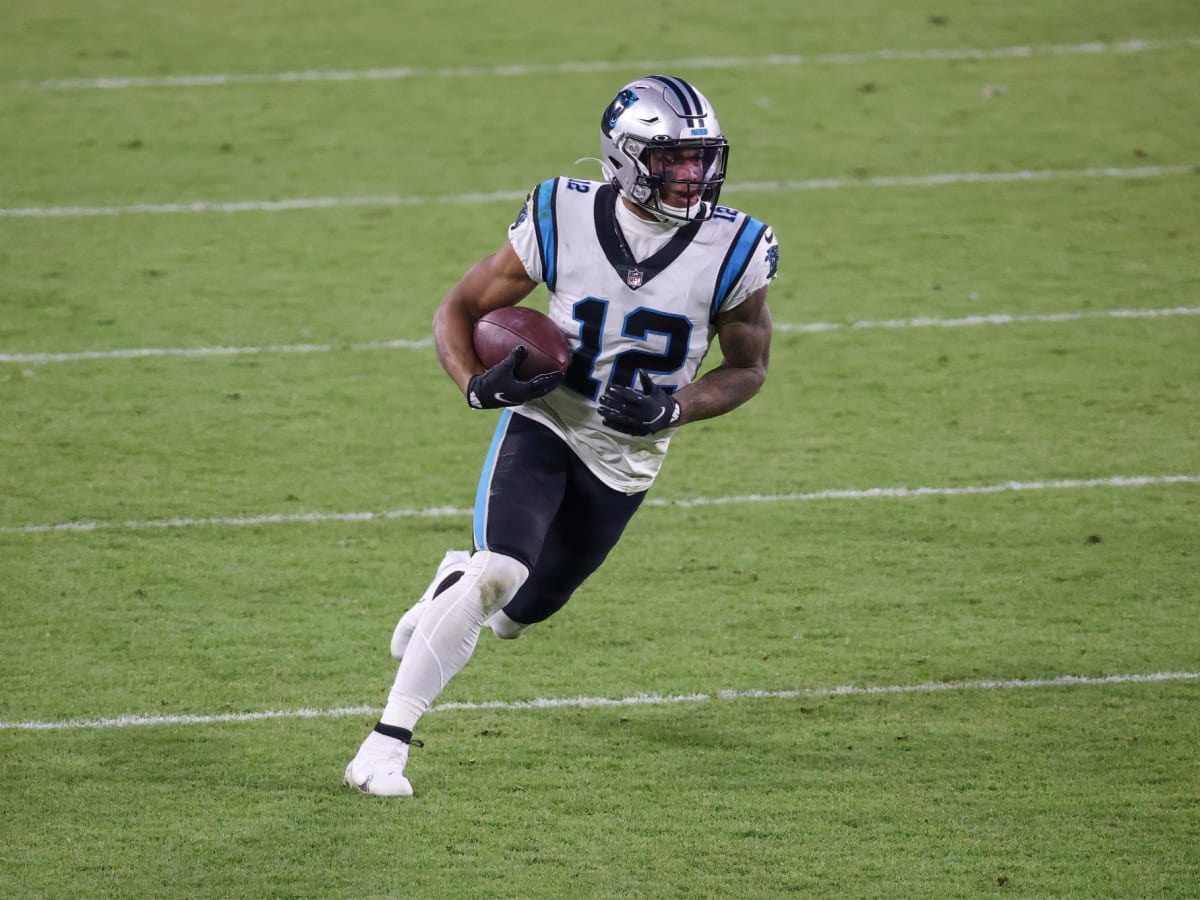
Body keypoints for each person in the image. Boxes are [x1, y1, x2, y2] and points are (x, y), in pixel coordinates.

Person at [345, 75, 779, 796]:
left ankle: (453, 579)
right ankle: (384, 745)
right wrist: (475, 384)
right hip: (548, 420)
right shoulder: (561, 213)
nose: (690, 176)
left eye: (700, 158)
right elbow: (457, 309)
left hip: (627, 459)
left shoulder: (738, 246)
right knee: (500, 572)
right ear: (622, 155)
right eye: (670, 159)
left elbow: (749, 368)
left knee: (522, 612)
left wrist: (677, 406)